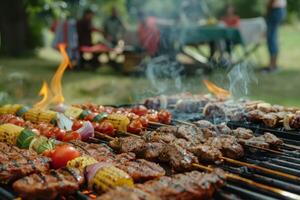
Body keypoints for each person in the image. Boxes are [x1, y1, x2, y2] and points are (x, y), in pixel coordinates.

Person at [263, 0, 286, 72]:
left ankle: (272, 66)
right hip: (277, 10)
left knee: (271, 39)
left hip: (275, 10)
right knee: (272, 38)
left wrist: (268, 8)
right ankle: (273, 65)